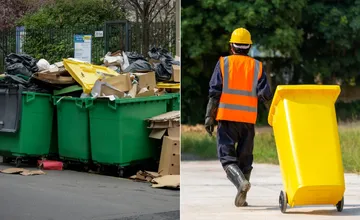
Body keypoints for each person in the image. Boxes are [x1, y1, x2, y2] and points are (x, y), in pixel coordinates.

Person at [204, 27, 273, 207]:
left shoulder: (223, 63)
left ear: (231, 46)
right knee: (245, 158)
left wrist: (209, 117)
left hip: (227, 118)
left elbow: (214, 93)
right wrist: (274, 116)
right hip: (248, 121)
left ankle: (241, 184)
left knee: (227, 157)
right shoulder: (257, 66)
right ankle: (242, 194)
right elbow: (265, 95)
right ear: (249, 47)